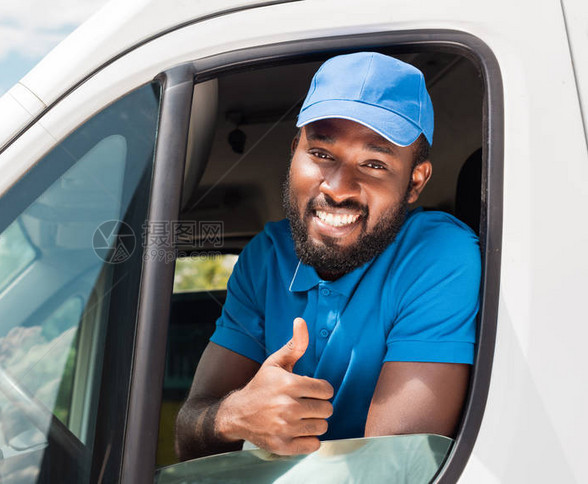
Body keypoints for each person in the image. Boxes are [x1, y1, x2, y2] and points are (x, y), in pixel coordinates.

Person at [175, 52, 481, 461]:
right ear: (294, 152)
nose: (338, 187)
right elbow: (187, 436)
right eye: (321, 153)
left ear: (414, 183)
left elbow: (396, 467)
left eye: (374, 163)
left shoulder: (439, 255)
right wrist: (234, 416)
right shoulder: (265, 257)